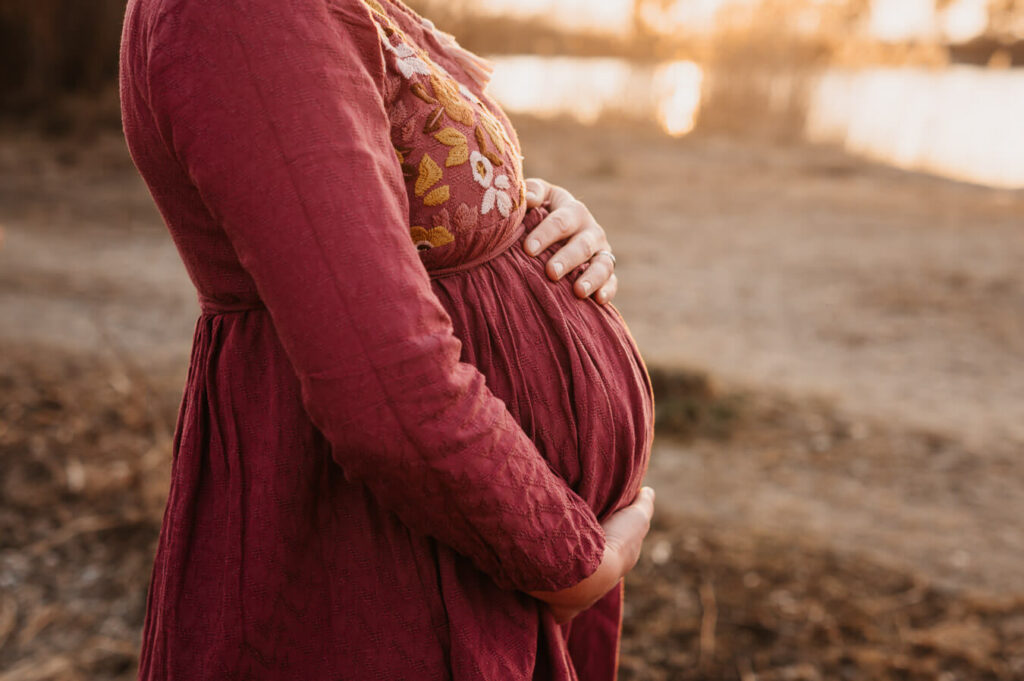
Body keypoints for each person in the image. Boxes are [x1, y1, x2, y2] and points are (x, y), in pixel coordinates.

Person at [118, 0, 657, 678]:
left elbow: (372, 205)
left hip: (468, 558)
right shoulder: (241, 13)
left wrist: (524, 215)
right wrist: (573, 563)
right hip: (382, 563)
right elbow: (384, 381)